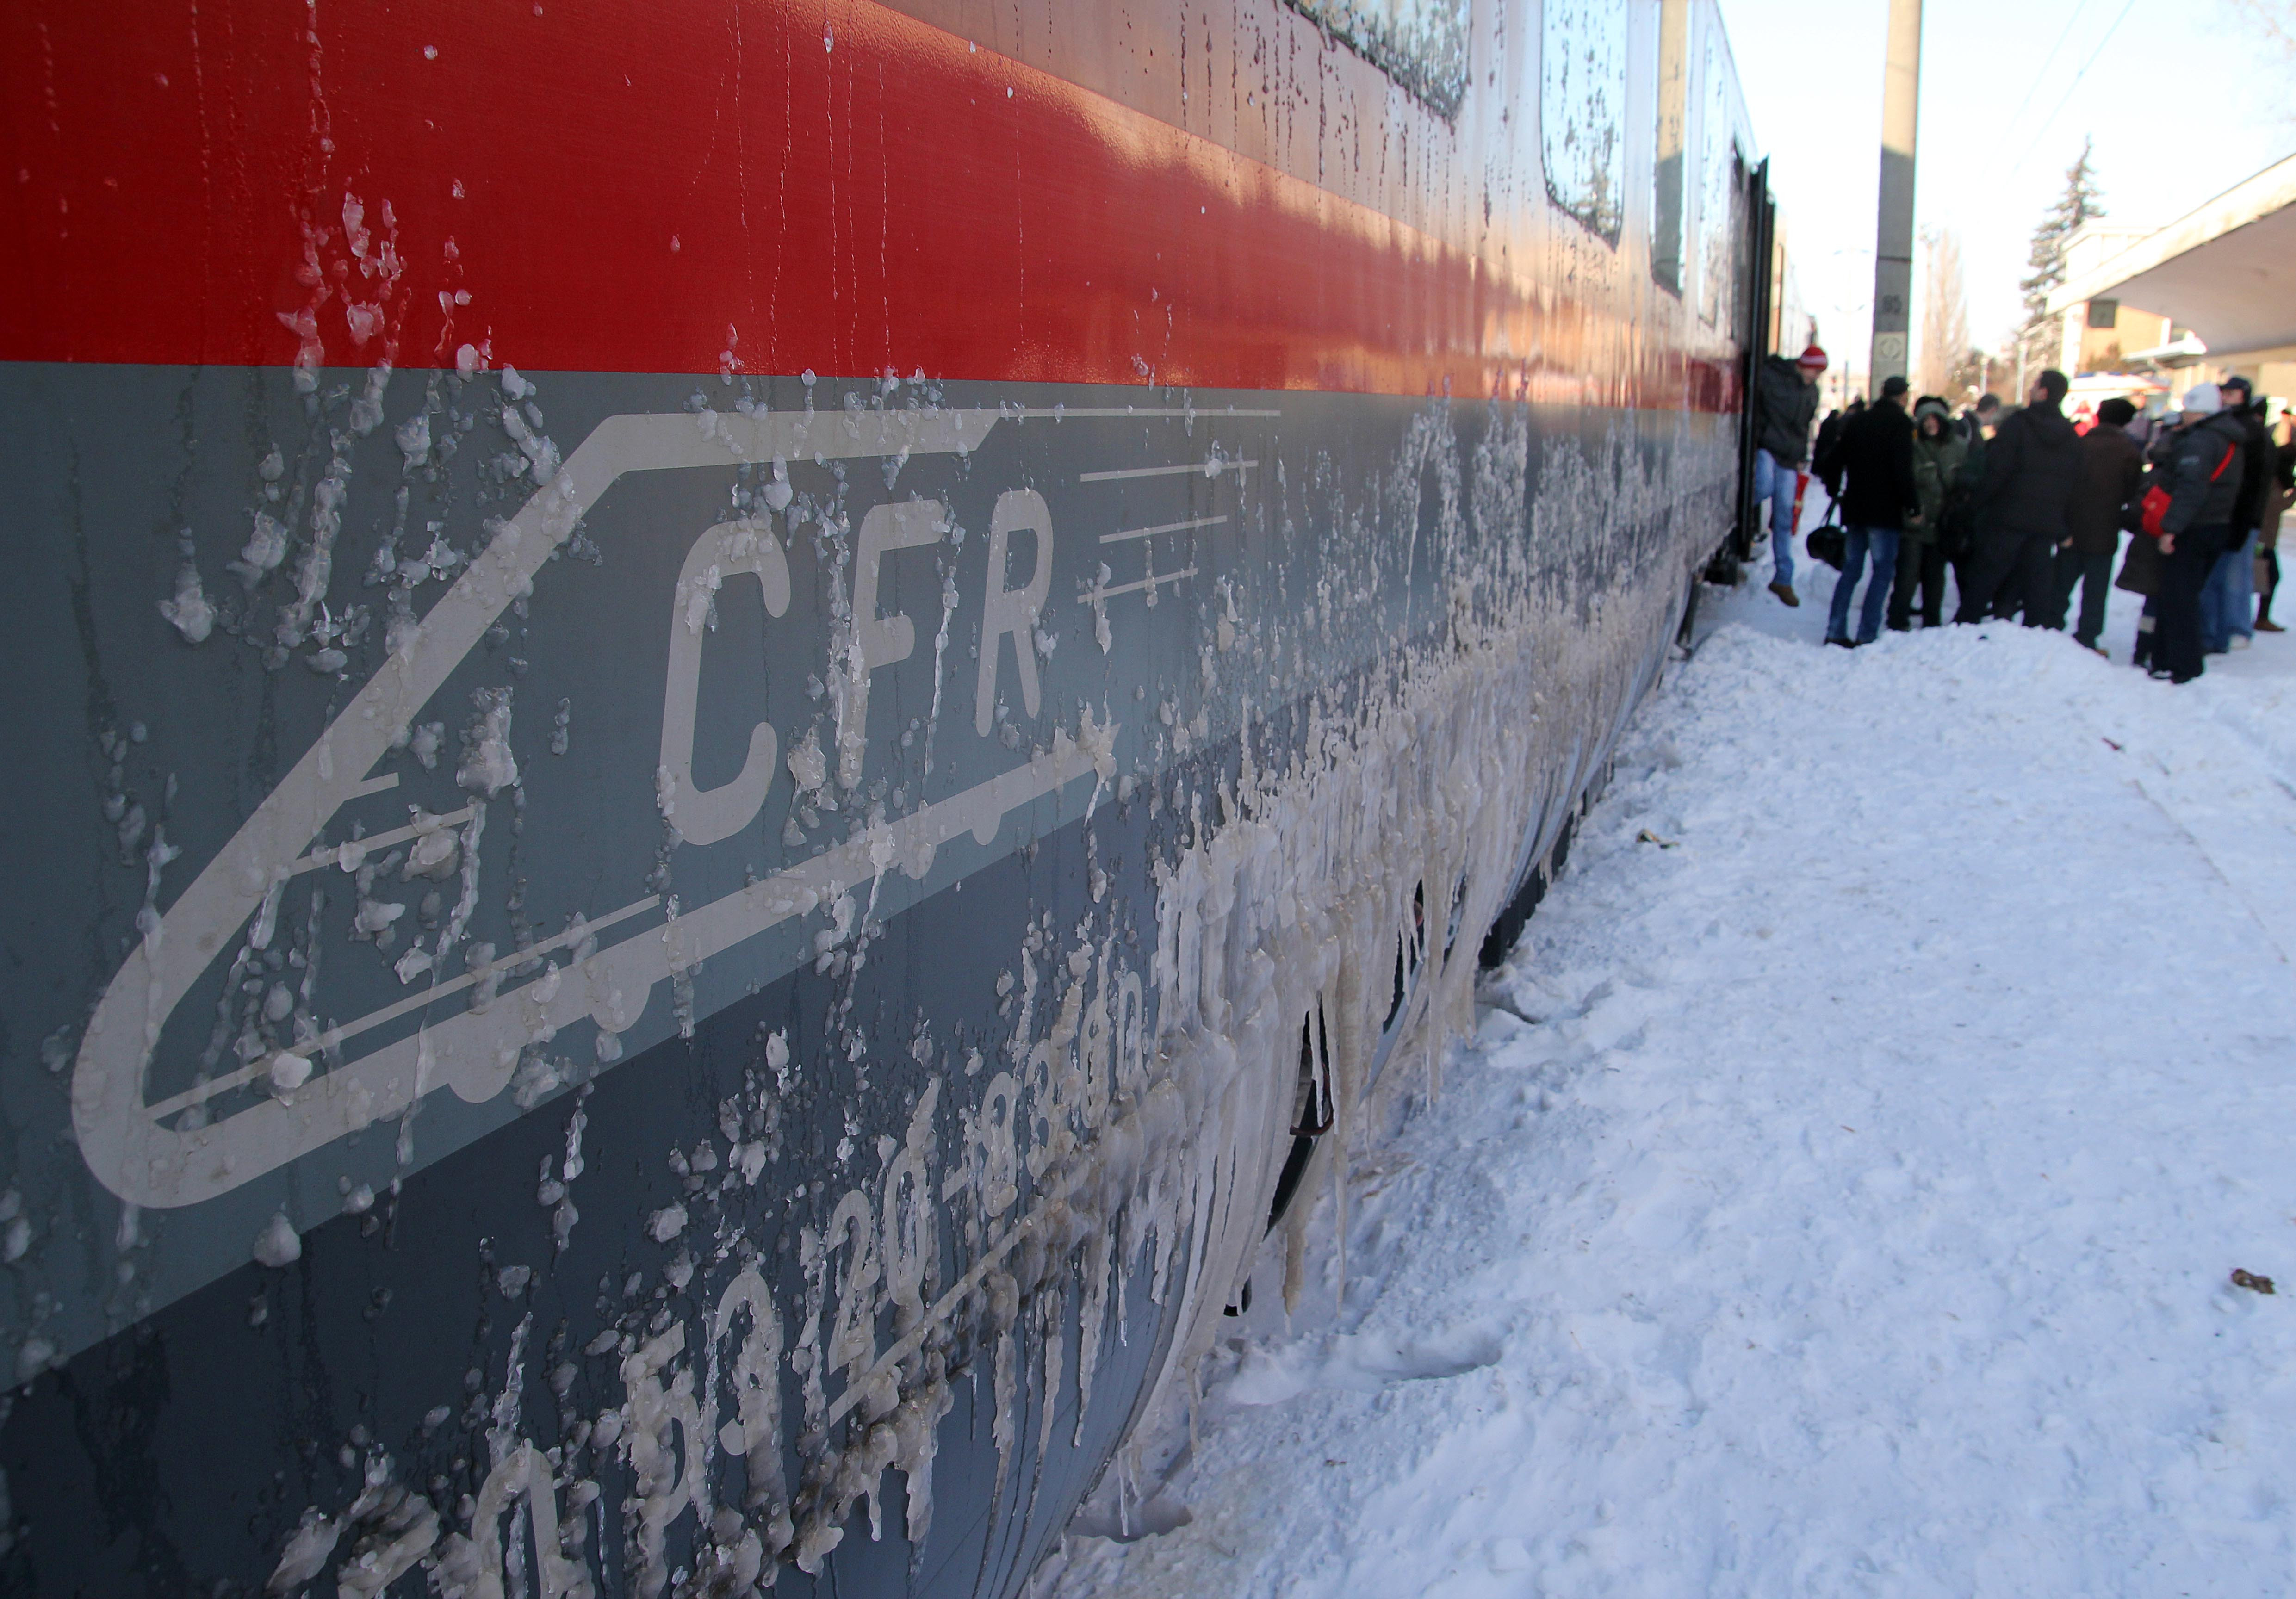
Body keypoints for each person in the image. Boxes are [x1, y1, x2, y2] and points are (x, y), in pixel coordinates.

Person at [1955, 370, 2080, 625]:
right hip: (2045, 521)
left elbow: (1997, 471)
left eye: (2035, 385)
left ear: (2043, 392)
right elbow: (2073, 481)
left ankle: (1964, 627)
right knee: (2037, 584)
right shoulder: (2069, 434)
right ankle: (2034, 635)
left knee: (1986, 577)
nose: (2031, 388)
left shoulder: (2018, 425)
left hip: (2008, 516)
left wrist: (1974, 505)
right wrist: (2063, 522)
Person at [2151, 382, 2249, 683]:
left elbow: (2191, 489)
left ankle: (2182, 663)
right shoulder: (2230, 438)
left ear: (2200, 411)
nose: (2185, 414)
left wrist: (2171, 529)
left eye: (2189, 409)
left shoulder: (2202, 441)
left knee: (2178, 598)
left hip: (2194, 528)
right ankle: (2175, 660)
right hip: (2217, 524)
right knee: (2187, 595)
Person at [1826, 374, 1920, 647]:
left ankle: (1835, 630)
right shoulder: (1902, 425)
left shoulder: (1859, 421)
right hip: (1885, 512)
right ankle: (1867, 634)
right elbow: (1903, 471)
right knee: (1881, 573)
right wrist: (1913, 505)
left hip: (1856, 507)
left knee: (1851, 571)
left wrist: (1836, 491)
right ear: (1904, 397)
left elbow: (1834, 460)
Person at [2051, 396, 2144, 653]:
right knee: (2095, 591)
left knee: (2061, 584)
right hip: (2105, 530)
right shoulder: (2129, 451)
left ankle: (2049, 630)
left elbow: (2062, 485)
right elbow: (2134, 492)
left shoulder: (2080, 445)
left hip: (2072, 528)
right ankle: (2087, 638)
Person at [1750, 343, 1828, 606]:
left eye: (1819, 373)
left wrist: (1801, 458)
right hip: (1769, 446)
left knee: (1784, 515)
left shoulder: (1811, 392)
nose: (1815, 377)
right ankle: (1736, 515)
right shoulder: (1775, 376)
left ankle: (1784, 578)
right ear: (1803, 365)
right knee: (1763, 486)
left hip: (1789, 455)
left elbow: (1804, 426)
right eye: (1814, 371)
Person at [2200, 375, 2272, 653]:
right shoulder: (2237, 428)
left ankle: (2234, 629)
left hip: (2240, 515)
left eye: (2230, 392)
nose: (2225, 396)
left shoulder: (2249, 432)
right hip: (2231, 514)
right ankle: (2224, 629)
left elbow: (2255, 481)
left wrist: (2247, 517)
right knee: (2222, 574)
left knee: (2233, 575)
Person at [1888, 396, 1965, 630]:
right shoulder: (1911, 447)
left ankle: (1933, 621)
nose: (1930, 424)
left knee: (1935, 578)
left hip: (1942, 524)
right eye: (1926, 419)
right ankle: (1898, 619)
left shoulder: (1958, 447)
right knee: (1908, 576)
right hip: (1915, 522)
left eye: (1935, 419)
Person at [2259, 412, 2294, 633]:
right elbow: (2276, 508)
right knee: (2270, 576)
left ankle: (2262, 616)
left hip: (2264, 538)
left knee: (2269, 576)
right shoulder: (2274, 484)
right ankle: (2262, 617)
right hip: (2263, 539)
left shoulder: (2274, 482)